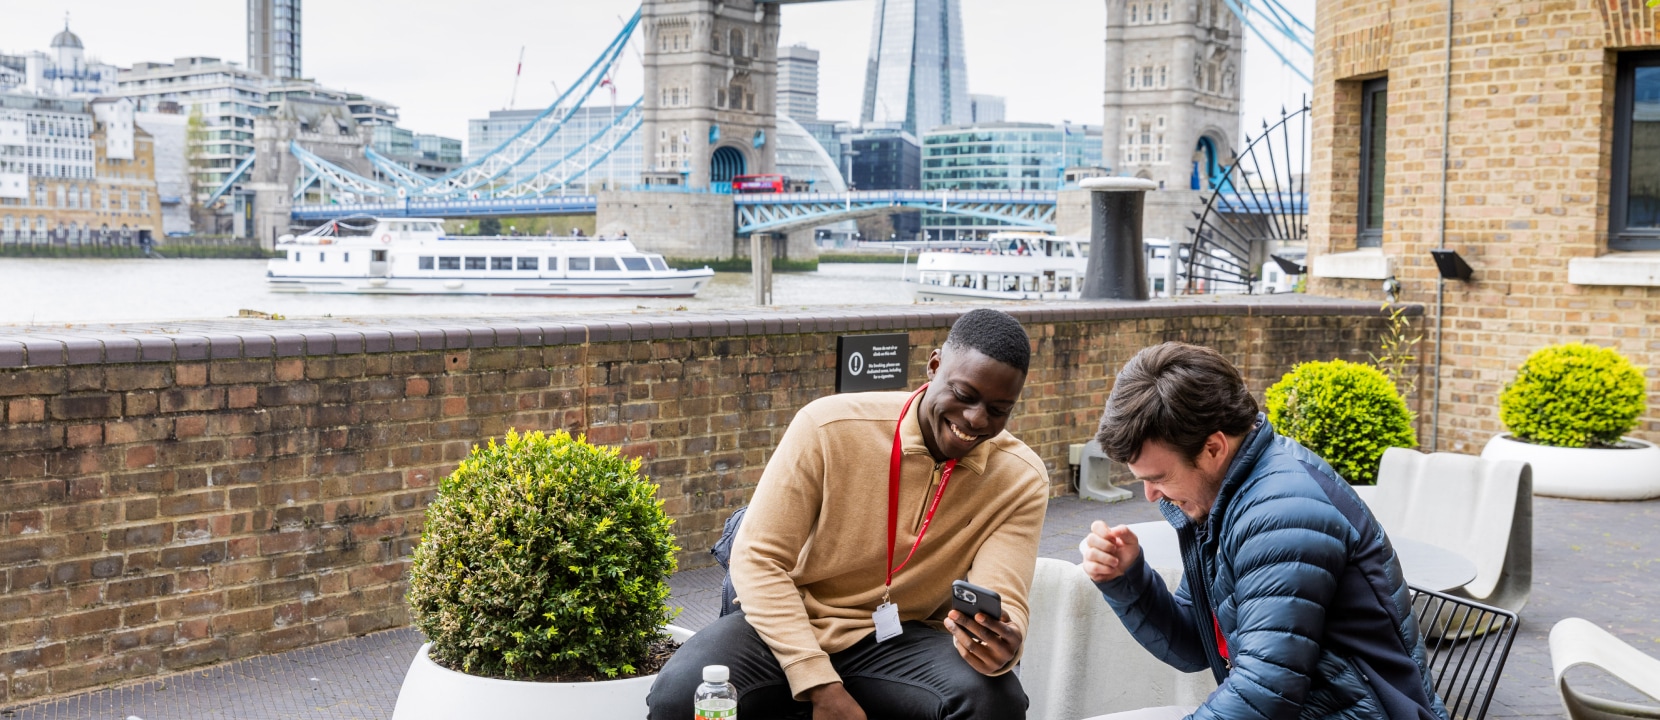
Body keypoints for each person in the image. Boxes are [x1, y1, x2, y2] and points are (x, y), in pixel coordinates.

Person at [647, 308, 1050, 720]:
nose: (976, 420)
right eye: (964, 395)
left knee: (995, 701)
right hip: (790, 620)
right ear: (933, 366)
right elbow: (758, 559)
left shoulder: (1020, 478)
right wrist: (820, 685)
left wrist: (1001, 645)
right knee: (680, 696)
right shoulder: (829, 427)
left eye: (999, 410)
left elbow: (1005, 599)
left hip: (901, 638)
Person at [1078, 342, 1447, 720]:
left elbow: (1265, 691)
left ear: (1214, 448)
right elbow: (1194, 645)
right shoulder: (1229, 498)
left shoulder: (1282, 514)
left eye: (1159, 477)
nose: (1152, 495)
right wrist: (1128, 579)